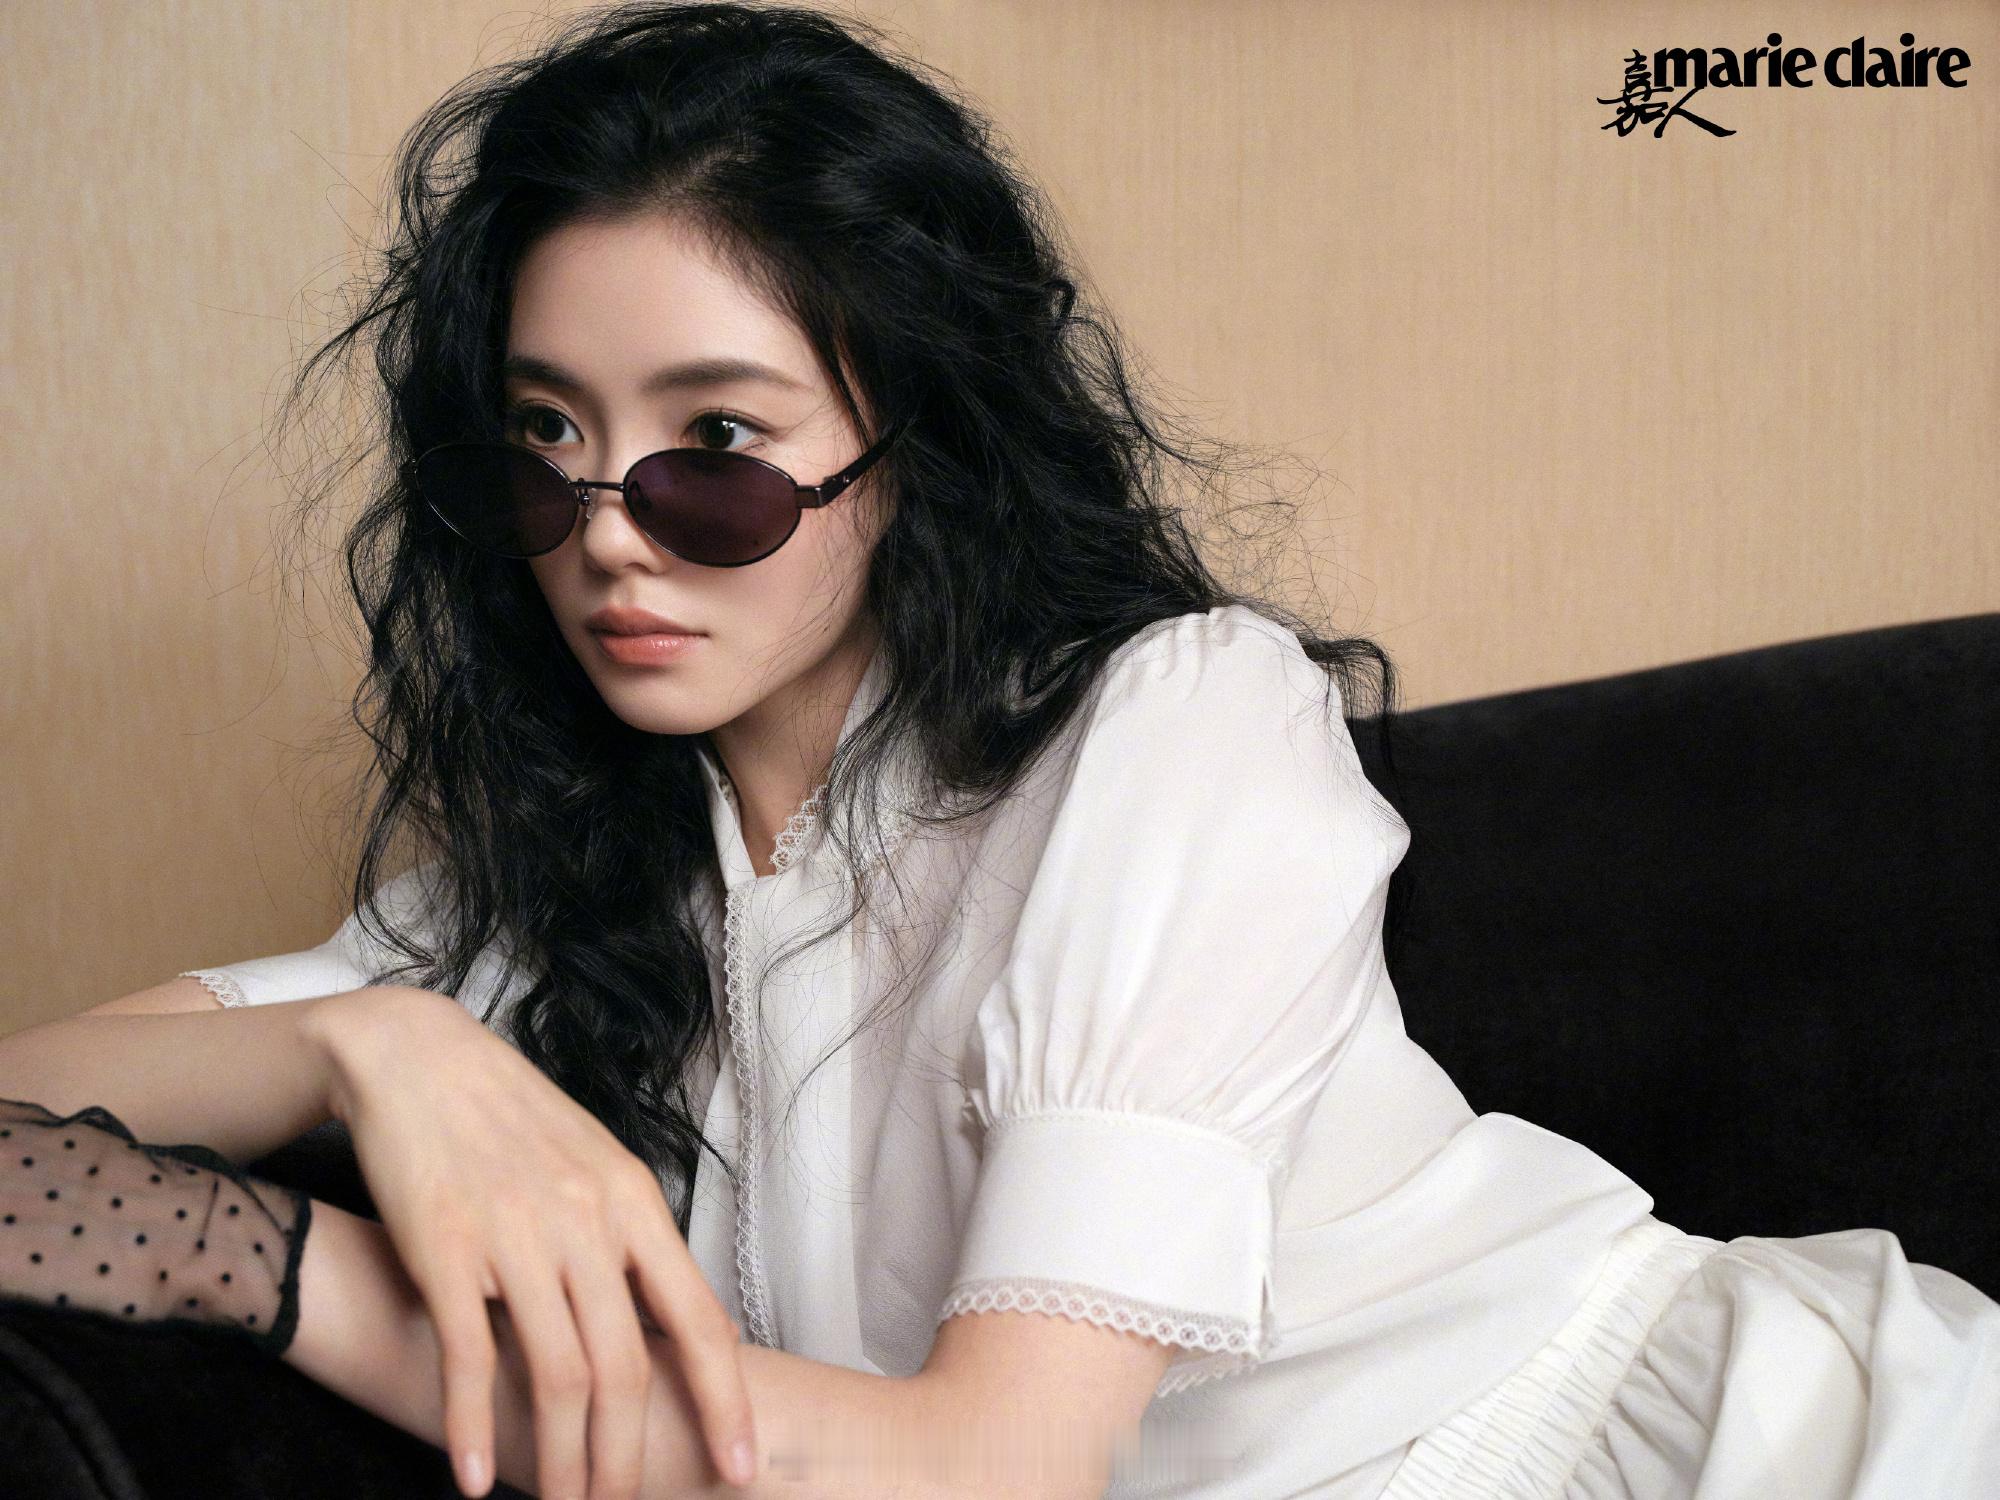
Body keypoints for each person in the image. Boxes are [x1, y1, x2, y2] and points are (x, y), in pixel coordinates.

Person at [2, 4, 1995, 1498]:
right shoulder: (550, 914)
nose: (607, 531)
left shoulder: (1180, 726)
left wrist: (245, 1254)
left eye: (715, 448)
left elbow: (989, 1470)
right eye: (546, 441)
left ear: (914, 444)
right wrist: (367, 1045)